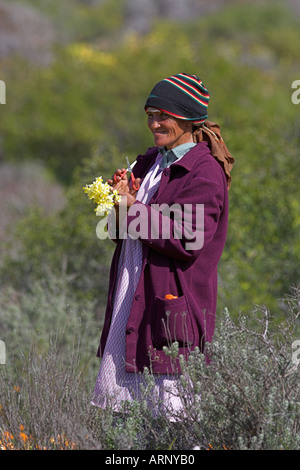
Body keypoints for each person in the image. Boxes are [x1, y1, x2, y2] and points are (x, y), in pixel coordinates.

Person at [91, 73, 234, 418]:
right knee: (127, 422)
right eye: (150, 115)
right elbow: (120, 235)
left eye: (162, 116)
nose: (154, 123)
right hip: (133, 299)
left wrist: (133, 208)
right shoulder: (149, 162)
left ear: (187, 119)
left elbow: (188, 239)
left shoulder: (204, 172)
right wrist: (118, 203)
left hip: (171, 308)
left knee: (174, 422)